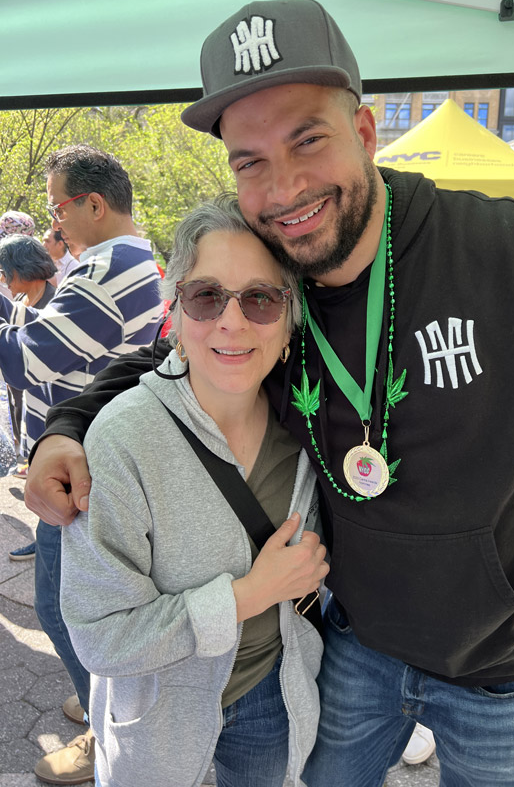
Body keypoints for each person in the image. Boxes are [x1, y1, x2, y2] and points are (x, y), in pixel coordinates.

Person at [25, 0, 514, 787]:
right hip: (356, 650)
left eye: (308, 139)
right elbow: (169, 362)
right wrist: (64, 427)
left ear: (364, 134)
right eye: (249, 160)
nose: (284, 186)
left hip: (508, 663)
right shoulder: (273, 283)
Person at [60, 195, 326, 787]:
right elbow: (100, 636)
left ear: (290, 319)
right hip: (155, 711)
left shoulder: (308, 424)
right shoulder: (122, 438)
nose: (231, 321)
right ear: (175, 313)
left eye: (260, 298)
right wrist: (248, 595)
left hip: (273, 695)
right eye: (207, 297)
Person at [0, 144, 163, 785]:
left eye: (58, 209)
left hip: (80, 471)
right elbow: (48, 335)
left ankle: (107, 729)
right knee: (83, 605)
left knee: (64, 609)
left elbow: (26, 359)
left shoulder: (104, 269)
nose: (53, 225)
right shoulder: (126, 260)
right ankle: (98, 697)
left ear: (94, 203)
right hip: (91, 457)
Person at [0, 235, 57, 488]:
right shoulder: (20, 302)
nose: (3, 280)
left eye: (5, 272)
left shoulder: (54, 307)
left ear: (22, 269)